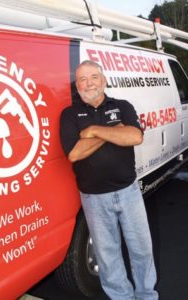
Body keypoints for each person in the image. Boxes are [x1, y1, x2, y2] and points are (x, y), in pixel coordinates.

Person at [60, 60, 158, 300]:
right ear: (77, 85)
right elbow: (74, 153)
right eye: (82, 79)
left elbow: (134, 136)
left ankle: (146, 295)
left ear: (103, 81)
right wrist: (114, 131)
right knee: (107, 254)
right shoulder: (70, 114)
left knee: (141, 250)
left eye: (93, 77)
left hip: (128, 192)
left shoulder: (122, 105)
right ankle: (121, 296)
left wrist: (93, 131)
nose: (88, 83)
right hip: (94, 199)